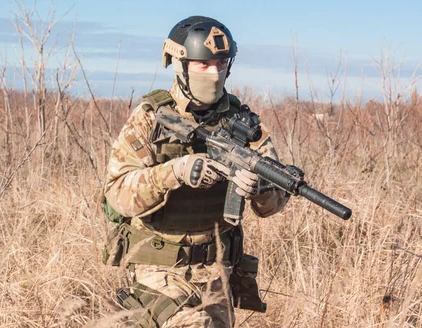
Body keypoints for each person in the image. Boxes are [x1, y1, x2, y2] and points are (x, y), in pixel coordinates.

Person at [102, 16, 290, 328]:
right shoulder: (151, 118)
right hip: (158, 269)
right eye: (204, 64)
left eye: (220, 63)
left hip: (219, 272)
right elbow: (117, 194)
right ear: (180, 64)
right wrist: (175, 172)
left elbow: (274, 204)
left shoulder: (245, 124)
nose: (214, 72)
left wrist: (258, 187)